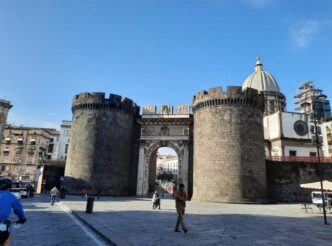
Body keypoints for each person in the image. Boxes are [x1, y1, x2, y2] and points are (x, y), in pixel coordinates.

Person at [0, 178, 26, 246]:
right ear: (9, 187)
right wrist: (22, 219)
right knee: (5, 240)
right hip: (2, 224)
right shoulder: (12, 197)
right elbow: (18, 210)